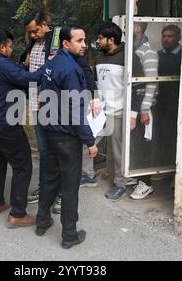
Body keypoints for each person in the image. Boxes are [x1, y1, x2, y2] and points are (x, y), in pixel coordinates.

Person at [20, 9, 96, 214]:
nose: (33, 35)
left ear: (45, 24)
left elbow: (84, 69)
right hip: (38, 106)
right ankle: (47, 189)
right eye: (30, 32)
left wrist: (94, 95)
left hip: (58, 111)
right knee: (45, 152)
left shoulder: (61, 43)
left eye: (35, 30)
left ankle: (62, 194)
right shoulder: (33, 44)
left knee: (63, 154)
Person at [36, 25, 98, 249]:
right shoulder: (70, 69)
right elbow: (75, 110)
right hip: (66, 136)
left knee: (50, 179)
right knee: (70, 187)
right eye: (79, 41)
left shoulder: (52, 63)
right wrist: (90, 141)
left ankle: (42, 222)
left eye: (84, 40)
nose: (84, 45)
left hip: (51, 131)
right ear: (65, 43)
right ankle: (69, 236)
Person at [0, 26, 42, 228]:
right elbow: (30, 80)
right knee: (23, 165)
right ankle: (17, 214)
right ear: (1, 47)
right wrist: (46, 67)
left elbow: (11, 77)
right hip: (7, 125)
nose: (11, 48)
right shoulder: (3, 65)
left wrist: (21, 66)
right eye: (9, 45)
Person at [84, 22, 136, 197]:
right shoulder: (99, 56)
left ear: (111, 39)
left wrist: (133, 113)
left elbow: (135, 87)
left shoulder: (127, 57)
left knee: (117, 151)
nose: (97, 41)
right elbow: (96, 81)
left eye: (100, 38)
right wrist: (95, 98)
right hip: (100, 110)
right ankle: (89, 176)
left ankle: (120, 184)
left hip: (119, 112)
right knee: (86, 140)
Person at [128, 22, 159, 200]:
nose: (126, 28)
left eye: (130, 25)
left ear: (138, 28)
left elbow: (152, 82)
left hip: (144, 106)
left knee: (143, 145)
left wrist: (145, 109)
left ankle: (146, 183)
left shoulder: (148, 52)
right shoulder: (132, 49)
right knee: (135, 143)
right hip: (134, 103)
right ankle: (138, 175)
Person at [155, 25, 182, 177]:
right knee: (163, 135)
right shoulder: (159, 55)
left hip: (178, 103)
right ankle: (165, 169)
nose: (166, 39)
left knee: (175, 137)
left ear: (178, 37)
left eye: (170, 36)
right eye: (164, 36)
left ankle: (175, 173)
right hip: (162, 103)